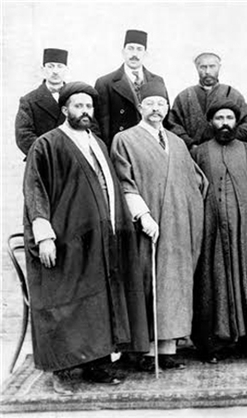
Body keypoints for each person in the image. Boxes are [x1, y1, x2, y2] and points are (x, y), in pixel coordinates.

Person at [23, 82, 148, 394]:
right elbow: (35, 189)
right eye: (78, 106)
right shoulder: (47, 144)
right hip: (65, 239)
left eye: (89, 106)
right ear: (65, 109)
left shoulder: (98, 143)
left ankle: (96, 363)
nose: (84, 112)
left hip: (99, 240)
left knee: (98, 301)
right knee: (65, 302)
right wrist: (44, 235)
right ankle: (61, 370)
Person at [111, 81, 207, 372]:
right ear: (140, 107)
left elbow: (197, 181)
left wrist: (189, 212)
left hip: (178, 226)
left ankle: (167, 350)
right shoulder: (125, 140)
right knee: (145, 282)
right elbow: (123, 182)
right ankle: (142, 350)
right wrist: (143, 215)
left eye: (161, 104)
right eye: (150, 103)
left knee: (174, 285)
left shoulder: (177, 142)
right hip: (145, 226)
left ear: (167, 108)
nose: (156, 109)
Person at [190, 100, 247, 363]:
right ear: (211, 122)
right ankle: (214, 344)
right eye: (219, 118)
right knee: (213, 281)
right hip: (212, 234)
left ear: (237, 122)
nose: (225, 123)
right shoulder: (199, 153)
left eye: (229, 118)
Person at [167, 52, 247, 149]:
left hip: (226, 151)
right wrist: (190, 144)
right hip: (191, 152)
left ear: (219, 67)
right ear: (197, 68)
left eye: (212, 66)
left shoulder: (233, 94)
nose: (207, 71)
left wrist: (227, 138)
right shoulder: (184, 96)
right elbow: (173, 125)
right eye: (203, 67)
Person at [94, 29, 167, 148]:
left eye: (139, 49)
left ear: (145, 53)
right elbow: (100, 124)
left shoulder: (157, 81)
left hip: (151, 145)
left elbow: (165, 118)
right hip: (121, 146)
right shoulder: (105, 83)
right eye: (130, 48)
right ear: (123, 52)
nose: (134, 54)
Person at [15, 48, 69, 157]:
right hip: (42, 159)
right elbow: (23, 136)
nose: (55, 71)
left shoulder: (76, 97)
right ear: (43, 70)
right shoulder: (29, 100)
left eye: (59, 66)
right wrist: (47, 155)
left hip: (71, 159)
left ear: (66, 70)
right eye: (50, 66)